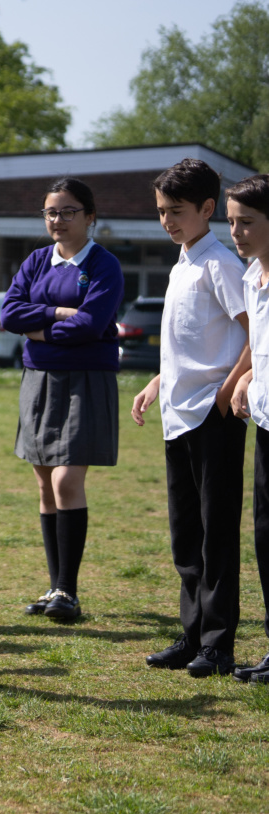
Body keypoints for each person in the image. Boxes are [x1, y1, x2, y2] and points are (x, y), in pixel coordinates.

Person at [133, 158, 251, 678]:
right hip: (179, 415)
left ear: (208, 208)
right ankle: (191, 635)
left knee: (216, 533)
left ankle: (218, 645)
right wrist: (159, 382)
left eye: (176, 211)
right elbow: (187, 340)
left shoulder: (221, 264)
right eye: (161, 211)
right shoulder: (183, 262)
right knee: (185, 532)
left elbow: (256, 332)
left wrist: (229, 389)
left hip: (213, 414)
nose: (167, 221)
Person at [0, 178, 126, 624]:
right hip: (39, 377)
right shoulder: (37, 260)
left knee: (67, 481)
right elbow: (9, 313)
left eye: (69, 211)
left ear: (90, 217)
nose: (58, 220)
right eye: (51, 212)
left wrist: (40, 330)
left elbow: (92, 325)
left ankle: (68, 592)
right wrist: (55, 314)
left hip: (86, 380)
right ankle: (54, 587)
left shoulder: (104, 265)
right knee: (43, 481)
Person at [228, 173, 269, 682]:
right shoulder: (249, 277)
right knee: (265, 535)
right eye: (232, 222)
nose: (236, 233)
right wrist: (248, 377)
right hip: (264, 419)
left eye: (248, 222)